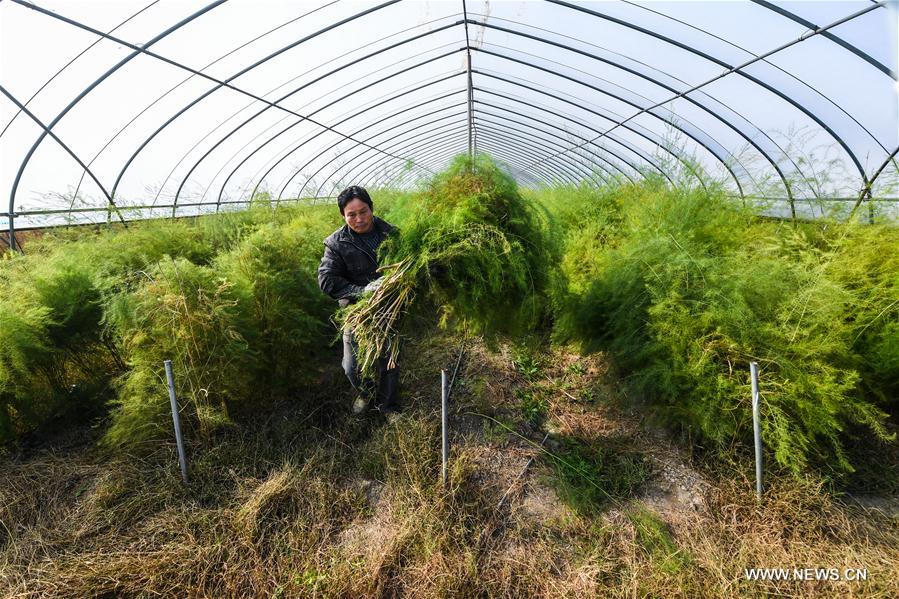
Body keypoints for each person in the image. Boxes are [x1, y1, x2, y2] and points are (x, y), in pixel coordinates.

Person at [318, 185, 400, 420]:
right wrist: (363, 291)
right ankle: (366, 392)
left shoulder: (391, 234)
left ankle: (388, 406)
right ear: (343, 216)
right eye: (351, 214)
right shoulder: (336, 243)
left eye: (363, 212)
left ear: (371, 209)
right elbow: (327, 281)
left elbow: (409, 262)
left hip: (388, 307)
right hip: (356, 310)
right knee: (350, 366)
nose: (359, 219)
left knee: (389, 359)